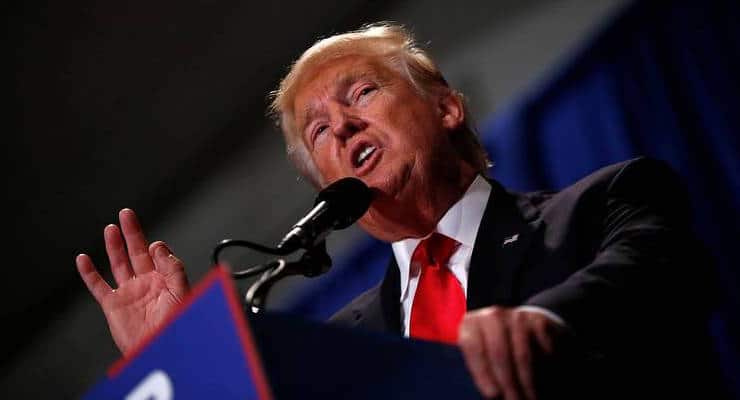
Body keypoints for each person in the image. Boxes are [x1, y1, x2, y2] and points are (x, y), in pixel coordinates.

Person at [77, 23, 719, 399]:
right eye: (321, 132)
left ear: (446, 108)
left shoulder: (603, 203)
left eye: (362, 93)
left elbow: (667, 273)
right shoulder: (340, 346)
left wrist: (540, 321)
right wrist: (183, 366)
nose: (346, 126)